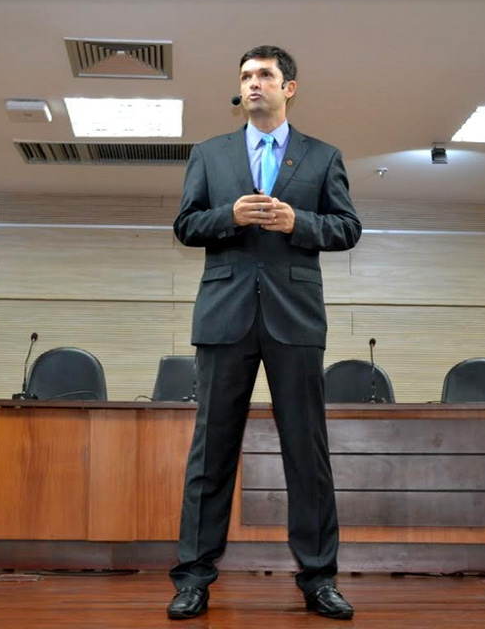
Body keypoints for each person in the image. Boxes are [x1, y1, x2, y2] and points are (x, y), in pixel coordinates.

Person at [166, 45, 362, 621]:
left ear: (288, 88)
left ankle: (319, 578)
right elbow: (186, 225)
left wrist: (298, 222)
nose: (254, 83)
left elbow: (348, 228)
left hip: (295, 318)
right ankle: (193, 578)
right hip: (223, 316)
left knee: (307, 451)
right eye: (246, 75)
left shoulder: (323, 157)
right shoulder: (209, 154)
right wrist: (229, 216)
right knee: (211, 451)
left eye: (265, 75)